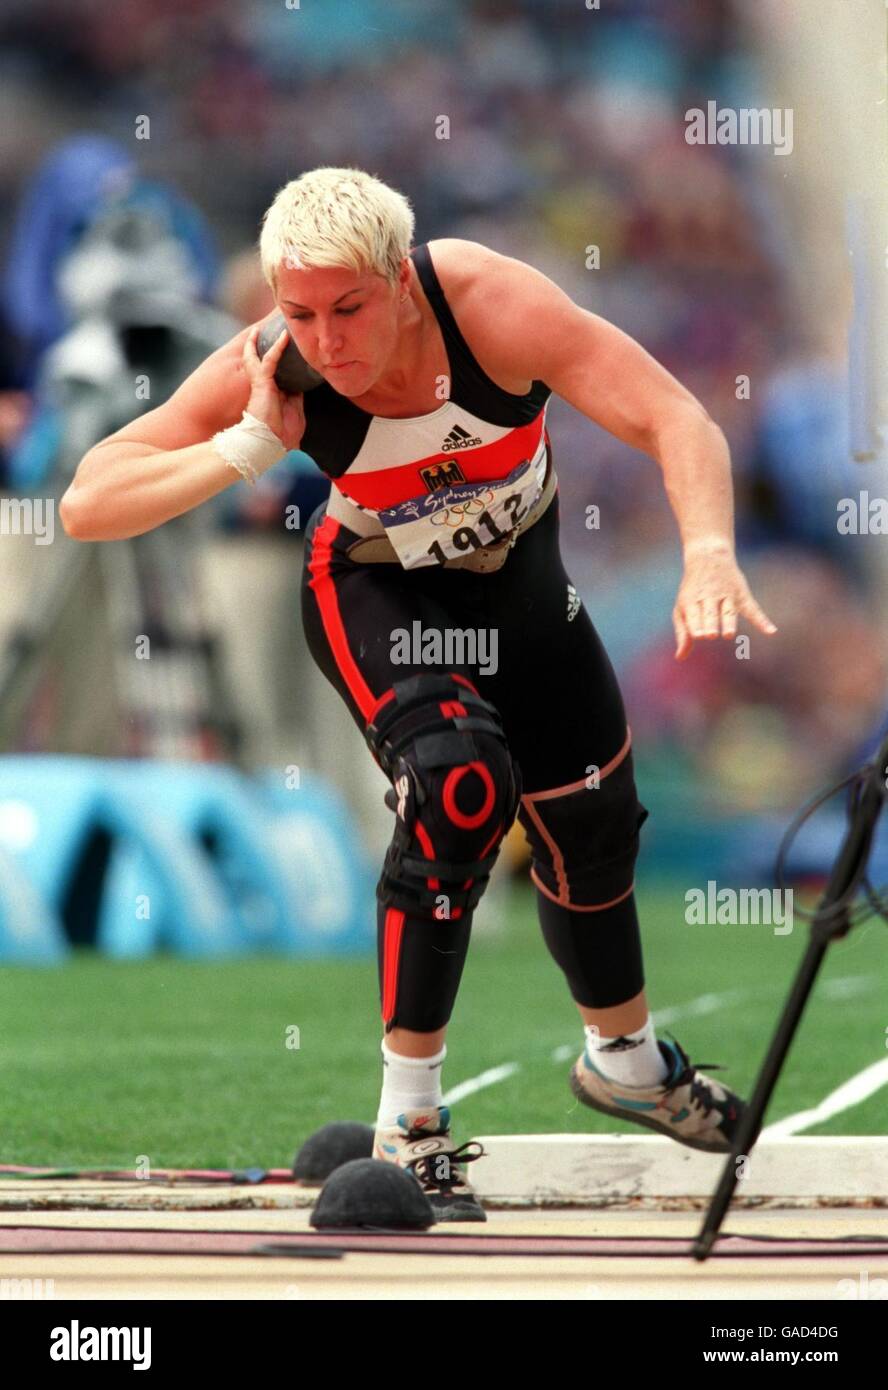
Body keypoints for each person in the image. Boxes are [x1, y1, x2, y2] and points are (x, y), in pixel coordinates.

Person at [61, 166, 778, 1223]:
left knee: (595, 829)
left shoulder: (495, 307)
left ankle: (627, 1063)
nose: (329, 339)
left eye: (349, 308)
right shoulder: (276, 367)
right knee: (461, 785)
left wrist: (709, 552)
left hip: (528, 599)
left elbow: (677, 419)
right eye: (300, 311)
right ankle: (412, 1122)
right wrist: (245, 448)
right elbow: (86, 501)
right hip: (375, 591)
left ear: (402, 280)